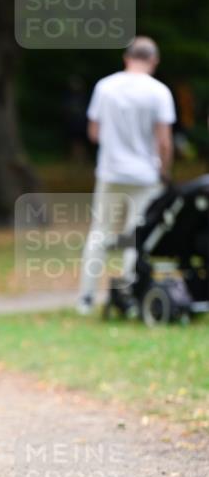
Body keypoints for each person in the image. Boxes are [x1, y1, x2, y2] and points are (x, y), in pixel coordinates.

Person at [77, 36, 176, 315]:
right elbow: (164, 141)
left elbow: (93, 132)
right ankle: (130, 295)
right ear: (153, 61)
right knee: (137, 236)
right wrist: (164, 171)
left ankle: (86, 297)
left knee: (100, 233)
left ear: (126, 57)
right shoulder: (159, 92)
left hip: (110, 172)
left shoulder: (105, 87)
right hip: (145, 176)